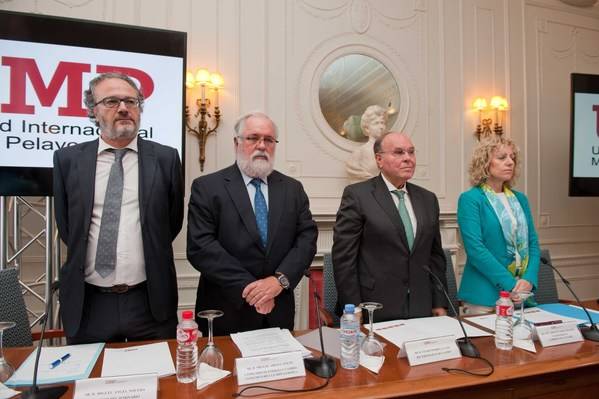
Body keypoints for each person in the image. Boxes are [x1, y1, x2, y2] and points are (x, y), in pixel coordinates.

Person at [53, 72, 184, 343]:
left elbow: (171, 222)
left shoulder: (166, 159)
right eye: (112, 101)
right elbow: (68, 227)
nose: (124, 108)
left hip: (149, 303)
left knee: (158, 380)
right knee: (89, 382)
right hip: (89, 304)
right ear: (93, 110)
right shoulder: (67, 160)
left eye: (131, 101)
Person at [187, 112, 318, 336]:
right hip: (226, 310)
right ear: (236, 142)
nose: (262, 145)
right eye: (253, 138)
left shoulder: (292, 189)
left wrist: (279, 281)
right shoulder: (208, 187)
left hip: (278, 309)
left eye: (268, 140)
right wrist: (253, 290)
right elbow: (201, 246)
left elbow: (306, 239)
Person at [333, 131, 447, 322]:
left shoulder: (428, 199)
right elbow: (344, 258)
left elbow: (435, 256)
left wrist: (439, 302)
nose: (408, 159)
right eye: (399, 153)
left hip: (421, 306)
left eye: (411, 152)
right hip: (374, 307)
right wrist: (353, 306)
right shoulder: (358, 195)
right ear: (379, 159)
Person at [458, 136, 540, 314]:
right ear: (485, 163)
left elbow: (533, 243)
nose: (510, 162)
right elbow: (475, 250)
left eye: (512, 158)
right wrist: (511, 285)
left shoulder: (521, 199)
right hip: (485, 297)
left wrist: (529, 280)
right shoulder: (471, 199)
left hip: (523, 296)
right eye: (502, 158)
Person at [346, 105, 389, 182]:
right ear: (367, 128)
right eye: (376, 123)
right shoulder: (360, 153)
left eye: (382, 123)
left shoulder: (389, 151)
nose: (381, 127)